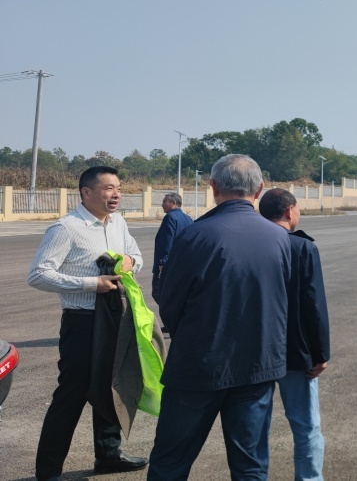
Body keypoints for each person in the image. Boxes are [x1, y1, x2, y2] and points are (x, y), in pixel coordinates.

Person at [147, 154, 291, 480]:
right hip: (257, 366)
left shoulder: (194, 235)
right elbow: (282, 301)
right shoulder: (280, 238)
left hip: (198, 365)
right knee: (250, 466)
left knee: (170, 462)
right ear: (259, 189)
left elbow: (169, 301)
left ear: (212, 187)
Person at [27, 166, 148, 480]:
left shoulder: (118, 222)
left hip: (115, 317)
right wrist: (91, 284)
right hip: (82, 322)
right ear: (86, 192)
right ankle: (48, 470)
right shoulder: (66, 228)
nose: (116, 194)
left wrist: (130, 261)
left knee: (111, 387)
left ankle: (108, 455)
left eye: (118, 188)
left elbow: (136, 257)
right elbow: (38, 275)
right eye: (108, 188)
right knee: (72, 393)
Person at [260, 188, 330, 481]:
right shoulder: (303, 248)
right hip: (296, 353)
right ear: (290, 211)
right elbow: (314, 305)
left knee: (255, 427)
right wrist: (320, 353)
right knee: (306, 426)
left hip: (257, 351)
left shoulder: (253, 243)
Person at [151, 192, 192, 299]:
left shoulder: (170, 217)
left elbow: (166, 241)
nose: (162, 204)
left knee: (159, 293)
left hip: (168, 266)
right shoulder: (188, 218)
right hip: (182, 265)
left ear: (173, 203)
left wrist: (163, 262)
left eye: (164, 202)